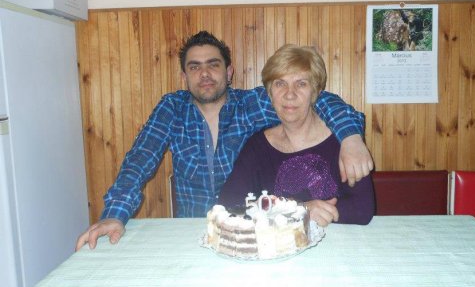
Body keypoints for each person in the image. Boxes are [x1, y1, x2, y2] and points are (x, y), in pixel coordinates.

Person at [76, 31, 373, 250]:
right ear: (184, 76)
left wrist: (350, 137)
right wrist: (114, 215)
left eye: (213, 64)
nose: (204, 74)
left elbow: (318, 100)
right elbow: (139, 161)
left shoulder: (252, 104)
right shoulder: (171, 109)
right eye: (194, 67)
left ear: (229, 72)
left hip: (250, 230)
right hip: (193, 230)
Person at [219, 44, 375, 227]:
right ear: (270, 93)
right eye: (280, 83)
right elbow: (228, 203)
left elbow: (363, 209)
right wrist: (300, 210)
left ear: (315, 92)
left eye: (301, 84)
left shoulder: (344, 143)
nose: (290, 94)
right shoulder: (257, 146)